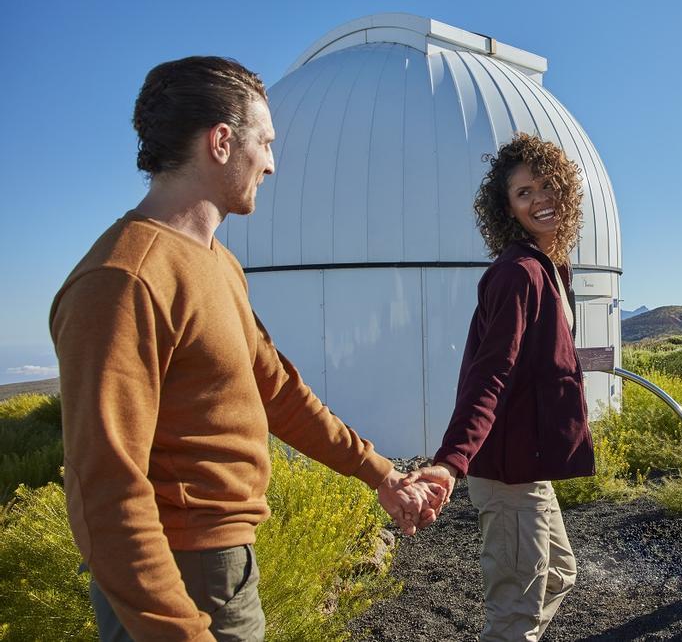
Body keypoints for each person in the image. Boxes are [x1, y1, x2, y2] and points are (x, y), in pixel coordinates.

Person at [49, 56, 446, 642]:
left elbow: (276, 390)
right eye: (265, 142)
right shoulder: (124, 280)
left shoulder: (216, 264)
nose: (272, 162)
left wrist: (381, 474)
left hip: (224, 565)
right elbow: (105, 488)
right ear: (222, 141)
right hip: (178, 574)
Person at [407, 133, 595, 641]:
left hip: (527, 463)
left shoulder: (549, 270)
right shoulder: (516, 275)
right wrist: (451, 461)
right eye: (523, 193)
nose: (539, 199)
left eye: (545, 186)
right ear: (508, 209)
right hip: (508, 468)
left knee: (558, 574)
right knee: (516, 613)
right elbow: (490, 372)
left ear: (565, 190)